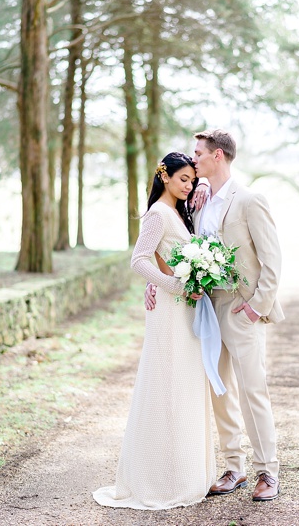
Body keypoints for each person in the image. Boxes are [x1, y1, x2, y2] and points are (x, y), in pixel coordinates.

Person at [146, 129, 284, 502]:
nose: (194, 159)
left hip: (241, 308)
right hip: (205, 307)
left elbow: (273, 260)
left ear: (217, 156)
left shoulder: (250, 200)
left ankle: (267, 472)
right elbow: (173, 249)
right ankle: (234, 468)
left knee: (253, 389)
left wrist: (257, 307)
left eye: (198, 153)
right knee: (219, 389)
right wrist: (155, 281)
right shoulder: (197, 201)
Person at [94, 152, 216, 510]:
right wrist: (172, 285)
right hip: (169, 311)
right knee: (168, 385)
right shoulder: (157, 214)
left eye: (192, 180)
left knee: (187, 385)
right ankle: (161, 478)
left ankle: (188, 470)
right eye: (183, 180)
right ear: (164, 177)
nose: (189, 185)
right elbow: (139, 260)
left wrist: (203, 182)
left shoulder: (179, 212)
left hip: (186, 310)